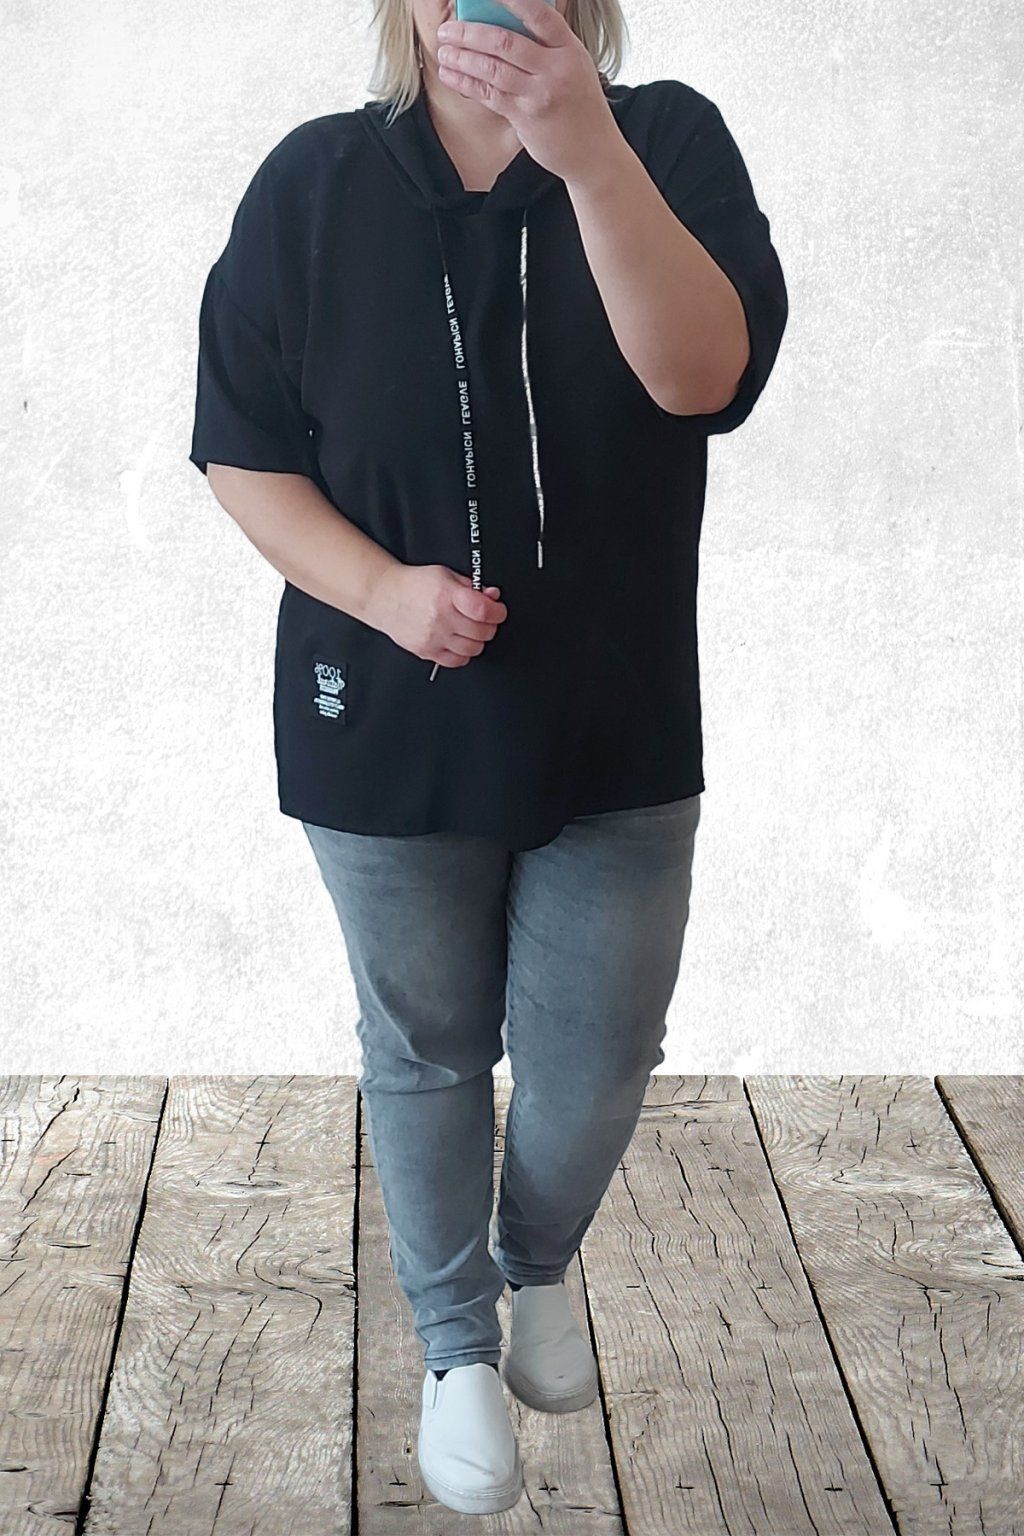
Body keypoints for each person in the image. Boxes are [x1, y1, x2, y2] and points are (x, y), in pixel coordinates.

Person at [189, 0, 787, 1515]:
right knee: (428, 1051)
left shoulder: (665, 142)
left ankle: (534, 1265)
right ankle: (457, 1347)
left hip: (616, 714)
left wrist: (584, 156)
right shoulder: (315, 182)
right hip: (384, 718)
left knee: (598, 1059)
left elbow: (703, 377)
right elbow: (242, 446)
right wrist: (386, 594)